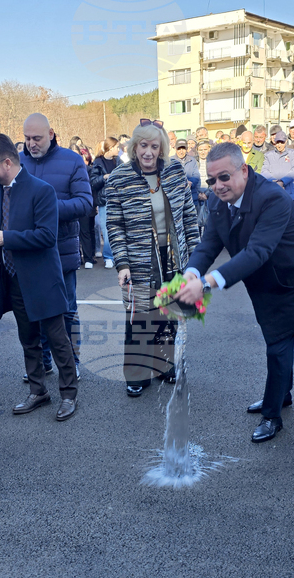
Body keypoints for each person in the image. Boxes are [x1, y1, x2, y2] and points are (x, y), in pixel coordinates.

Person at [176, 142, 294, 443]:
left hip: (293, 283)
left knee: (278, 343)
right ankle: (282, 395)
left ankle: (273, 415)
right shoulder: (217, 203)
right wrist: (190, 273)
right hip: (264, 284)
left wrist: (205, 284)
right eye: (211, 180)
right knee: (278, 340)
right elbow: (208, 245)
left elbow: (257, 252)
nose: (217, 185)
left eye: (224, 177)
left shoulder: (273, 198)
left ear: (243, 170)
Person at [0, 133, 78, 421]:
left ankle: (69, 394)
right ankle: (38, 391)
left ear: (6, 162)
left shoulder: (41, 191)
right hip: (13, 279)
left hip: (42, 278)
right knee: (28, 339)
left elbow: (46, 236)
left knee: (57, 339)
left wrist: (4, 238)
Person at [105, 120, 201, 397]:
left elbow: (188, 215)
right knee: (140, 318)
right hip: (137, 258)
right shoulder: (120, 177)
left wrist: (195, 258)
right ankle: (136, 374)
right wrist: (122, 263)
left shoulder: (173, 171)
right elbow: (114, 224)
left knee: (168, 313)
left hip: (172, 257)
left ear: (162, 149)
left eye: (154, 146)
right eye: (143, 146)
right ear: (135, 147)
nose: (148, 152)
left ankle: (164, 366)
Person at [20, 113, 93, 377]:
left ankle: (71, 362)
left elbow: (85, 203)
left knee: (67, 311)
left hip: (61, 250)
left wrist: (45, 209)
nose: (31, 144)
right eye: (27, 138)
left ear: (51, 134)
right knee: (34, 311)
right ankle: (43, 363)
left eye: (37, 138)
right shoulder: (17, 162)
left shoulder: (72, 161)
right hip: (28, 251)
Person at [89, 137, 120, 269]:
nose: (119, 149)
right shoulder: (98, 162)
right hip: (104, 201)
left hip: (118, 200)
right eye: (117, 147)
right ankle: (108, 256)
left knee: (117, 229)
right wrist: (104, 177)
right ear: (110, 148)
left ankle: (117, 256)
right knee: (106, 230)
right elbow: (93, 182)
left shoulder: (118, 161)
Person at [262, 131, 294, 202]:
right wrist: (275, 182)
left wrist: (283, 181)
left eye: (282, 142)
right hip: (272, 191)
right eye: (277, 142)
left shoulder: (293, 153)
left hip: (287, 192)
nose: (279, 145)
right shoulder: (268, 155)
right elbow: (264, 171)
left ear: (286, 141)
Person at [77, 150, 96, 270]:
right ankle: (79, 258)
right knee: (76, 233)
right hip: (72, 203)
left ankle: (88, 257)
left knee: (86, 231)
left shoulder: (88, 170)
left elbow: (92, 188)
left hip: (84, 204)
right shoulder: (68, 170)